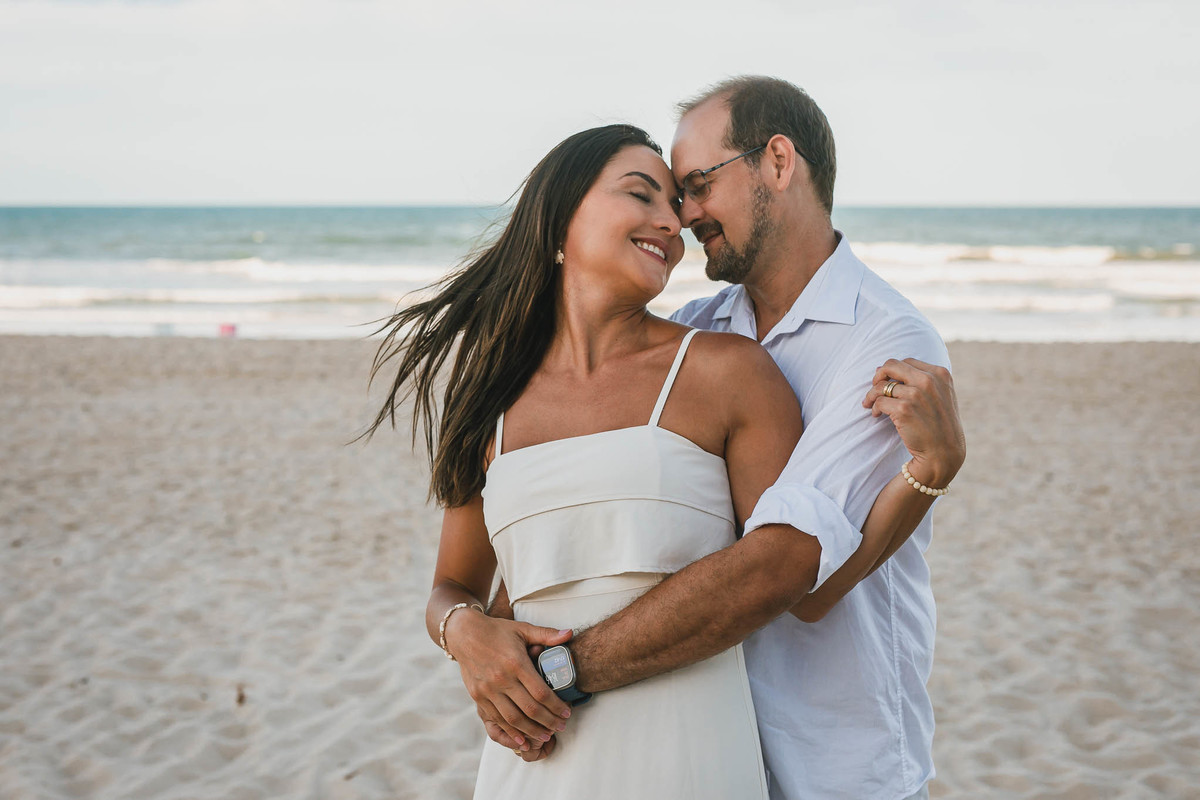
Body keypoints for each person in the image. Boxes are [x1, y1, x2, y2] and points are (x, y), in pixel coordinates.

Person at [367, 121, 958, 799]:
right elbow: (463, 589)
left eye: (676, 204)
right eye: (642, 195)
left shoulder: (728, 369)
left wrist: (923, 476)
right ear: (558, 216)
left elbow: (796, 574)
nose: (671, 222)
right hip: (536, 761)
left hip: (689, 751)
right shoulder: (489, 398)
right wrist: (464, 633)